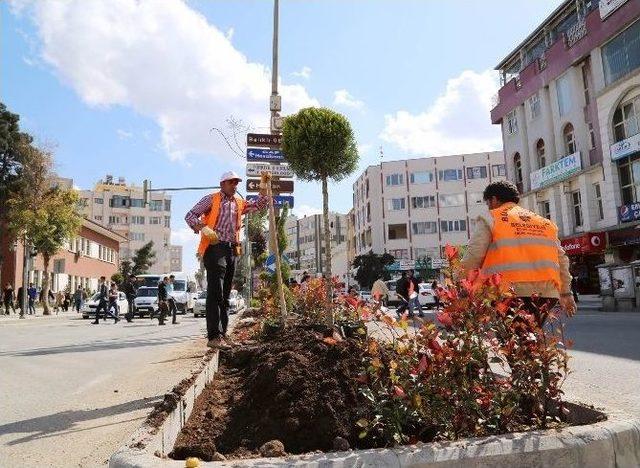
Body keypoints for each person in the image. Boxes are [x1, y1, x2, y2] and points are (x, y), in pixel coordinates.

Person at [461, 180, 576, 322]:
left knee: (512, 340)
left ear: (494, 199)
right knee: (530, 339)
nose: (489, 207)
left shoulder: (492, 217)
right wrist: (566, 293)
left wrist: (459, 284)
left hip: (508, 293)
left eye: (488, 203)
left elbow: (474, 255)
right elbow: (562, 260)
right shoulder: (544, 223)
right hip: (547, 294)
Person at [185, 170, 271, 349]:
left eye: (236, 183)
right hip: (215, 248)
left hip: (232, 250)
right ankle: (213, 337)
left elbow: (259, 205)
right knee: (215, 293)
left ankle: (222, 334)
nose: (235, 185)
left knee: (225, 296)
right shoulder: (211, 199)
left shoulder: (239, 203)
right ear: (222, 184)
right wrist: (203, 227)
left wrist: (263, 186)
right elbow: (190, 215)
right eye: (231, 182)